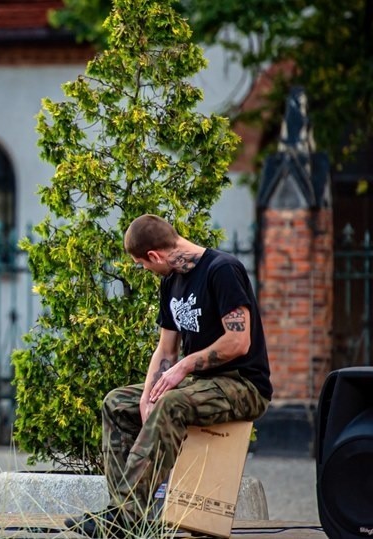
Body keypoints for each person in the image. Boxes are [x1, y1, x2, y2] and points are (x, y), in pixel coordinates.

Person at [65, 214, 272, 538]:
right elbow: (165, 351)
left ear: (154, 256)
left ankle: (125, 518)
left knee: (172, 403)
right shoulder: (170, 282)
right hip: (200, 385)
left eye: (142, 264)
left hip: (242, 383)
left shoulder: (222, 270)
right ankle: (131, 513)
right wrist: (148, 397)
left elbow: (238, 340)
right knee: (118, 403)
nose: (145, 270)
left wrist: (184, 367)